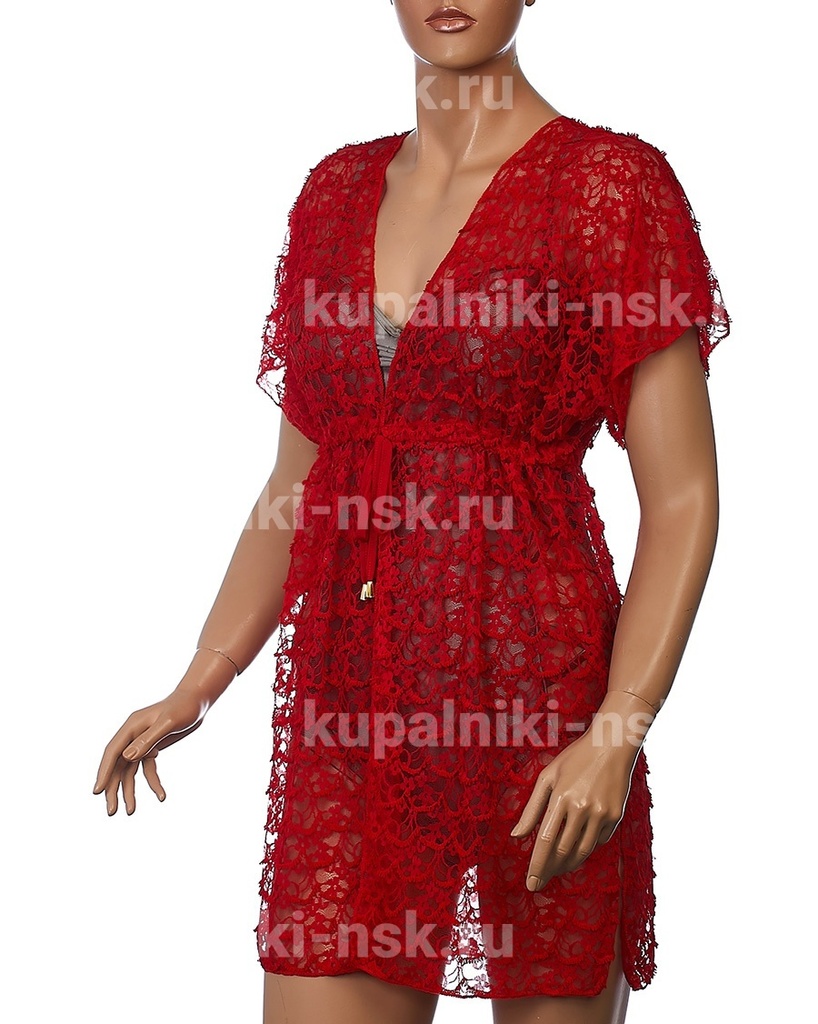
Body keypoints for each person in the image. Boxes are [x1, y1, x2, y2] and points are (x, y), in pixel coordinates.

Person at [93, 2, 731, 1022]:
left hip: (543, 718)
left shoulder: (606, 187)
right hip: (349, 726)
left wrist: (617, 729)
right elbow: (300, 481)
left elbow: (682, 493)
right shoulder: (334, 194)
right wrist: (200, 679)